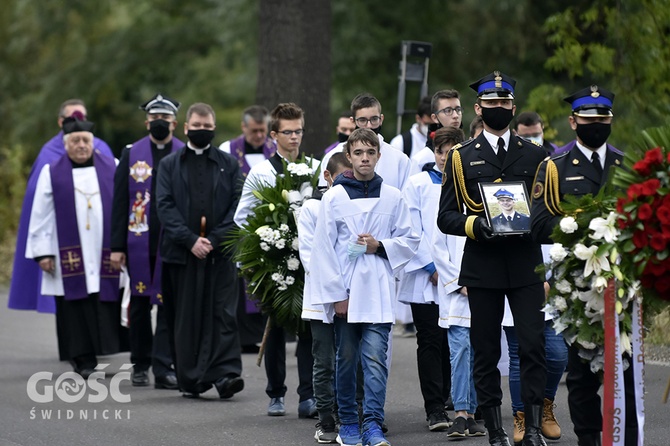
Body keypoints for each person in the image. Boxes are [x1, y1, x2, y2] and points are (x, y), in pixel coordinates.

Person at [437, 71, 548, 446]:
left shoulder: (536, 155)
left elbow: (546, 210)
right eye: (491, 103)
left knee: (533, 346)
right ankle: (496, 432)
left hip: (525, 263)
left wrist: (535, 225)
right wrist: (475, 226)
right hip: (483, 265)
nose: (498, 108)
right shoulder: (460, 157)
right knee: (485, 351)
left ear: (513, 107)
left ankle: (531, 428)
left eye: (504, 103)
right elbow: (446, 216)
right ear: (478, 108)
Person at [531, 86, 637, 446]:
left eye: (602, 119)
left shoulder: (626, 166)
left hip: (621, 281)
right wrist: (582, 226)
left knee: (624, 366)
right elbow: (540, 222)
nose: (596, 125)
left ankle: (626, 433)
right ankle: (589, 437)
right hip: (576, 283)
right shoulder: (554, 167)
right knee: (580, 372)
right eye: (589, 120)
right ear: (573, 121)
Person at [310, 128, 419, 446]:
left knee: (374, 361)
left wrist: (379, 245)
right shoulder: (334, 198)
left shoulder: (393, 196)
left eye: (370, 152)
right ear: (349, 156)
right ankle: (348, 424)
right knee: (345, 361)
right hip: (346, 294)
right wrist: (336, 295)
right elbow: (323, 251)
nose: (365, 158)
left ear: (378, 156)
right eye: (358, 153)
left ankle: (372, 423)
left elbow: (410, 239)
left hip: (379, 293)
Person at [234, 102, 319, 418]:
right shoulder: (262, 171)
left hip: (308, 259)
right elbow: (242, 216)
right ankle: (276, 393)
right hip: (274, 258)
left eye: (298, 131)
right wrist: (262, 248)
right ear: (274, 135)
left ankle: (307, 395)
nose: (294, 137)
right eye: (288, 132)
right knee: (276, 329)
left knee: (308, 328)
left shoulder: (314, 166)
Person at [156, 102, 244, 399]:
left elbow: (238, 204)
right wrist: (191, 240)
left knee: (223, 314)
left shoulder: (228, 163)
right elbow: (164, 206)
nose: (202, 131)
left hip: (219, 254)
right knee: (187, 317)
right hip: (183, 254)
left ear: (214, 129)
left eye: (208, 127)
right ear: (185, 127)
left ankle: (226, 375)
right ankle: (191, 378)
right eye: (197, 126)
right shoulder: (169, 164)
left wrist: (216, 239)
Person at [25, 115, 123, 378]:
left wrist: (122, 245)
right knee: (74, 307)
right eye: (76, 140)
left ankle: (103, 351)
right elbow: (41, 214)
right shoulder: (52, 172)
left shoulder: (112, 166)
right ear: (66, 144)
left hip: (104, 250)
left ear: (93, 143)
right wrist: (43, 252)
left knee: (101, 301)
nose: (81, 145)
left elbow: (123, 208)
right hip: (66, 252)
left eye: (86, 140)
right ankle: (81, 359)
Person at [9, 100, 114, 341]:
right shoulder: (50, 159)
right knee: (73, 300)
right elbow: (39, 206)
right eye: (72, 118)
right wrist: (42, 251)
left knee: (102, 293)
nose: (80, 142)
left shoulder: (103, 152)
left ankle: (102, 345)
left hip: (99, 244)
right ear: (61, 123)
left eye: (83, 116)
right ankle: (80, 351)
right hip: (67, 242)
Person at [110, 94, 183, 390]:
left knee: (168, 306)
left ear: (174, 123)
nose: (159, 124)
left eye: (164, 120)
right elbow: (119, 201)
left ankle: (164, 367)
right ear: (147, 122)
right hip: (139, 242)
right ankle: (140, 363)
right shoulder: (132, 153)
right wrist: (116, 247)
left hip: (173, 242)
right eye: (154, 120)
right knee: (139, 306)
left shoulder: (183, 153)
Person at [399, 127, 469, 433]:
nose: (444, 158)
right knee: (430, 340)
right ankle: (434, 407)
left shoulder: (469, 186)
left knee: (457, 340)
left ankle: (459, 399)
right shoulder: (416, 184)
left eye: (451, 152)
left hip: (459, 276)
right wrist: (431, 267)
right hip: (427, 277)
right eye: (440, 152)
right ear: (433, 152)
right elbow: (411, 230)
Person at [429, 130, 484, 438]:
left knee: (480, 350)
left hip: (483, 286)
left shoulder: (478, 191)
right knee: (460, 350)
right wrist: (460, 281)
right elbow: (436, 245)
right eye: (444, 153)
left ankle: (474, 411)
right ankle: (461, 411)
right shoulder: (444, 196)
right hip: (458, 289)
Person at [298, 152, 353, 444]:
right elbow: (311, 255)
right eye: (341, 177)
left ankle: (350, 415)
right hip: (321, 296)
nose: (346, 183)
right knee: (323, 360)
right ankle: (326, 418)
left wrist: (347, 289)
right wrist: (334, 291)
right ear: (328, 177)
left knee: (348, 357)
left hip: (350, 294)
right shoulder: (311, 208)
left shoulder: (353, 204)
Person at [219, 105, 276, 353]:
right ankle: (243, 336)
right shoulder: (228, 150)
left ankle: (267, 333)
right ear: (244, 127)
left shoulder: (274, 151)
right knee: (241, 280)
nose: (258, 136)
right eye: (254, 130)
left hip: (270, 226)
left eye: (262, 130)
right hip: (240, 225)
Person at [318, 93, 417, 191]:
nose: (369, 126)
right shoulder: (333, 156)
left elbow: (405, 201)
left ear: (381, 119)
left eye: (374, 119)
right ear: (353, 121)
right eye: (362, 120)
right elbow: (325, 195)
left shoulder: (399, 159)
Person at [411, 90, 464, 170]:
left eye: (458, 110)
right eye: (448, 111)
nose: (455, 115)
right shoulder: (421, 160)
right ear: (435, 118)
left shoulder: (469, 152)